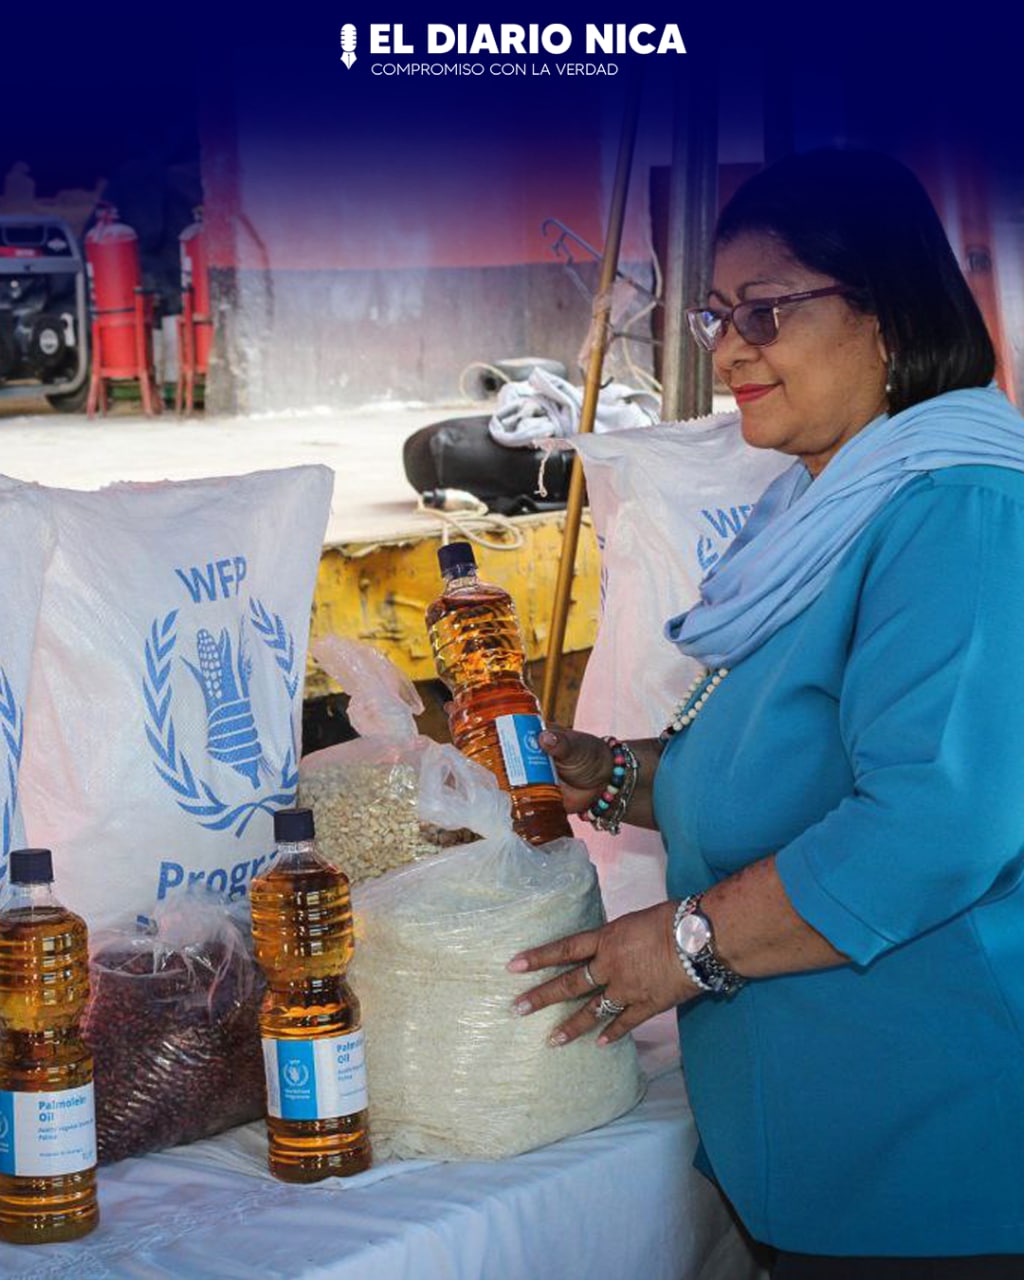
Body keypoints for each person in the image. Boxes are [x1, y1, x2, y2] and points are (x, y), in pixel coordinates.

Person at [507, 147, 1024, 1277]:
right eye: (716, 315)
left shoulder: (960, 509)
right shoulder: (819, 512)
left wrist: (677, 944)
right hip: (813, 1137)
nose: (731, 347)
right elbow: (792, 760)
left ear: (886, 313)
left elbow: (932, 823)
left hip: (938, 1152)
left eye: (767, 309)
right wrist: (616, 771)